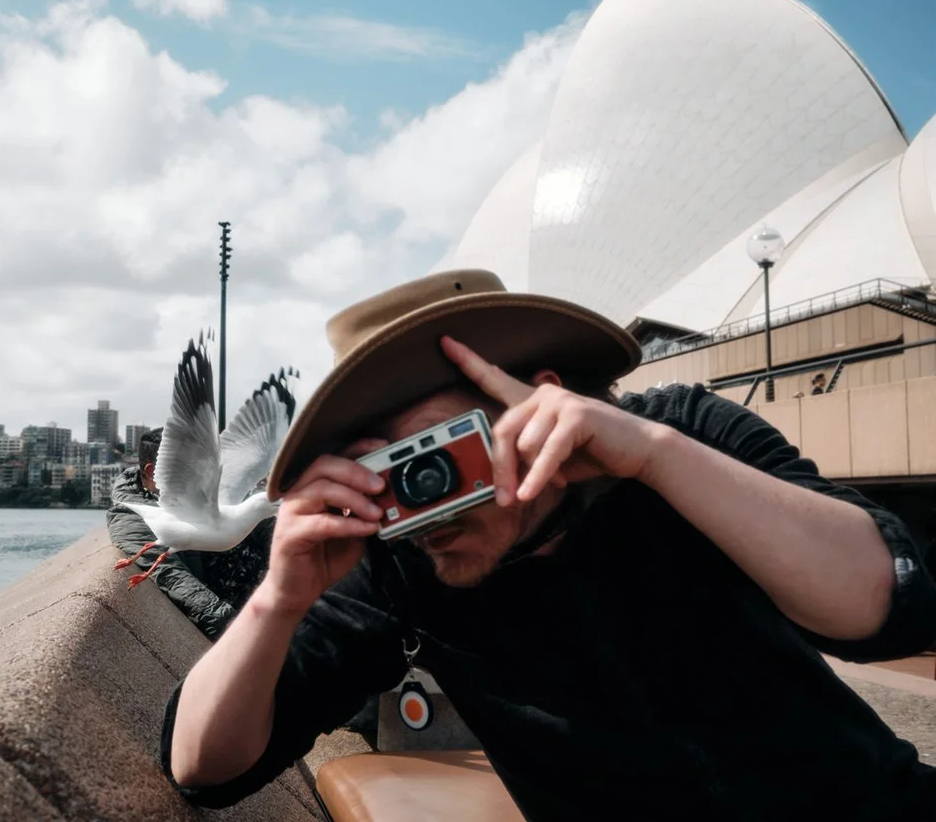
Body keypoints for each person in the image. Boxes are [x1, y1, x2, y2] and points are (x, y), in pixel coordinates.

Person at [157, 270, 936, 821]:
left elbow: (889, 605)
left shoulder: (684, 437)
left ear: (536, 399)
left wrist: (657, 458)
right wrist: (278, 600)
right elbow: (204, 766)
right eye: (388, 471)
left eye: (441, 454)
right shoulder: (399, 562)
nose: (423, 497)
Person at [107, 427, 273, 640]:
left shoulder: (207, 489)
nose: (199, 475)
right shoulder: (131, 516)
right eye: (188, 469)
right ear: (152, 472)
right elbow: (171, 576)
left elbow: (266, 524)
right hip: (240, 615)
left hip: (269, 600)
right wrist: (231, 625)